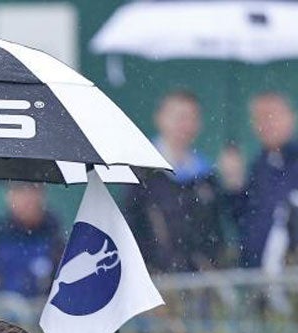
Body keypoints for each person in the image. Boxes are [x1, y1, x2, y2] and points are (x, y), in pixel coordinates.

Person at [122, 91, 224, 274]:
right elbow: (133, 227)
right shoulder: (141, 172)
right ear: (160, 118)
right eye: (179, 117)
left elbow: (214, 232)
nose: (185, 125)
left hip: (198, 282)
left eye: (192, 118)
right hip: (154, 279)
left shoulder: (206, 177)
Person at [219, 92, 298, 269]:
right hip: (261, 282)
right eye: (260, 118)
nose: (267, 124)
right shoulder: (258, 167)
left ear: (291, 117)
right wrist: (234, 187)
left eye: (273, 115)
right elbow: (246, 223)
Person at [0, 183, 64, 298]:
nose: (27, 198)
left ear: (42, 195)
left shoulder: (56, 241)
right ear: (9, 197)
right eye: (20, 190)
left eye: (32, 190)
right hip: (1, 311)